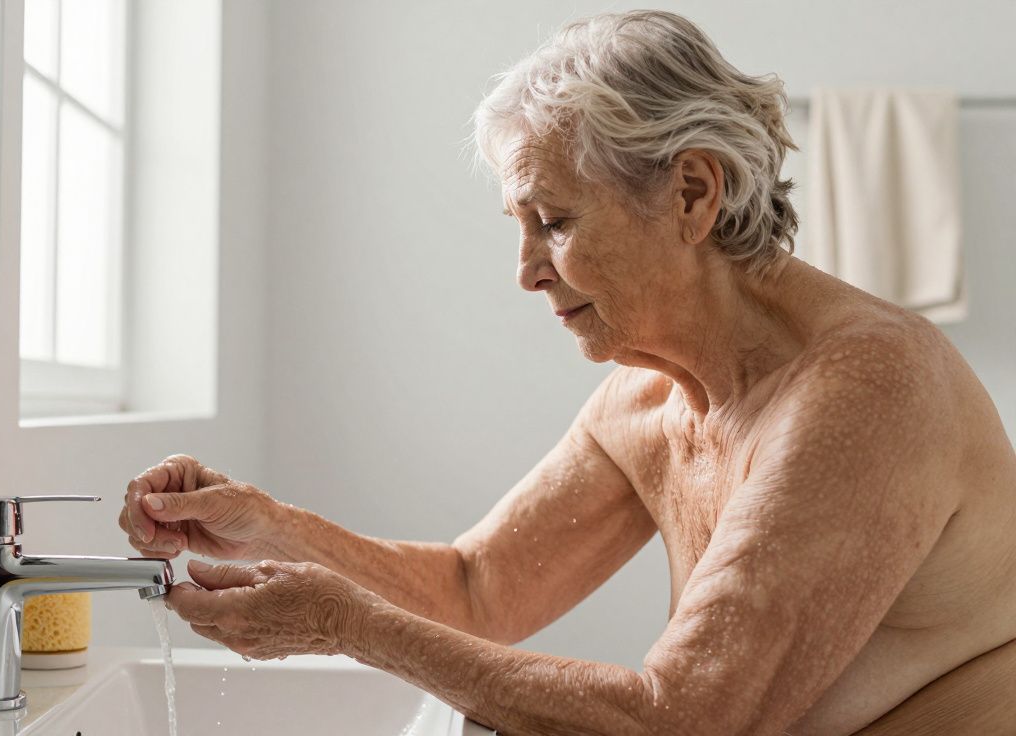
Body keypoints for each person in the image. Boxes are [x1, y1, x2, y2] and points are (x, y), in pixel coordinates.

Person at [119, 10, 1016, 734]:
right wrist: (270, 529)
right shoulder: (648, 398)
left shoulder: (867, 389)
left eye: (552, 220)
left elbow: (684, 724)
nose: (526, 269)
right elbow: (477, 590)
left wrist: (342, 622)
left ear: (693, 195)